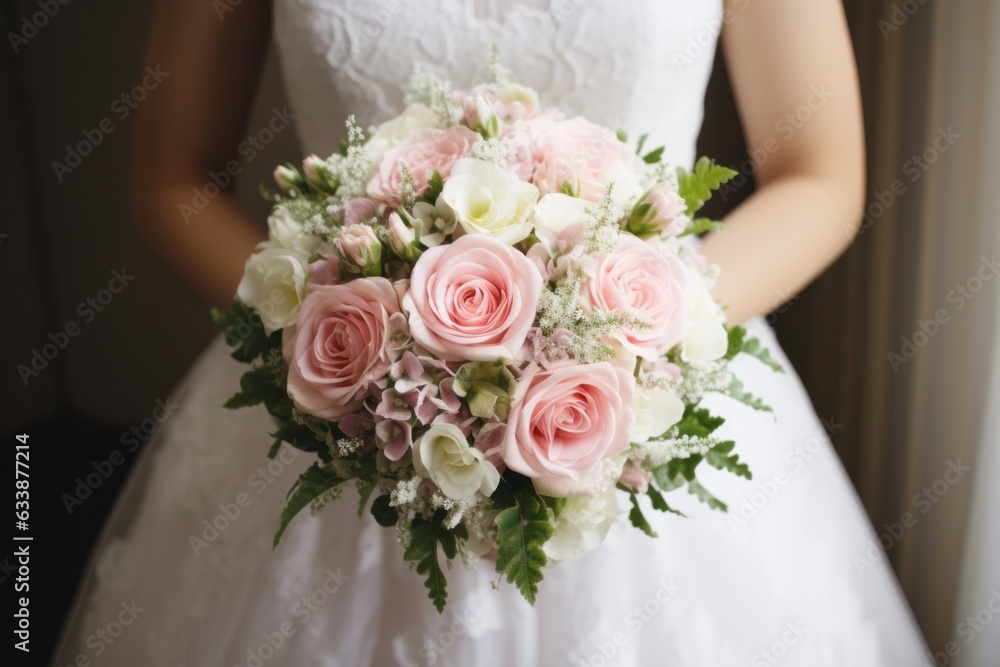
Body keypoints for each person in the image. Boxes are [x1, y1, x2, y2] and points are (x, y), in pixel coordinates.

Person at [53, 1, 930, 665]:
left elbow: (821, 173)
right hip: (330, 398)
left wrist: (623, 339)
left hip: (644, 386)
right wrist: (357, 344)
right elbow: (173, 181)